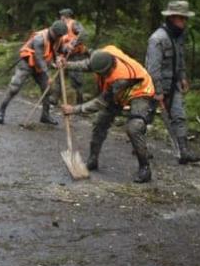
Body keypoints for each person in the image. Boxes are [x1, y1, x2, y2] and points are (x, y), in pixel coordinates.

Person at [61, 45, 155, 183]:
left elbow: (101, 102)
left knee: (134, 127)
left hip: (140, 91)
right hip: (117, 94)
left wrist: (74, 109)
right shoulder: (103, 56)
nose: (104, 75)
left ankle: (145, 168)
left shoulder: (120, 78)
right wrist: (66, 64)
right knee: (100, 122)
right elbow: (87, 64)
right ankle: (92, 159)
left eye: (106, 73)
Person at [146, 0, 200, 164]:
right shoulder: (157, 39)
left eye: (185, 19)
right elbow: (152, 68)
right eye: (182, 19)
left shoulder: (178, 37)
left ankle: (183, 151)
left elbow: (180, 59)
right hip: (154, 86)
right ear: (172, 18)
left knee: (179, 116)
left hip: (173, 85)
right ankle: (139, 148)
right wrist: (157, 92)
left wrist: (183, 77)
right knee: (144, 118)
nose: (184, 22)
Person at [0, 20, 69, 125]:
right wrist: (48, 76)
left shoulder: (59, 38)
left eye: (61, 36)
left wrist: (67, 49)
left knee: (47, 89)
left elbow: (61, 50)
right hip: (27, 64)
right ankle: (1, 111)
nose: (59, 37)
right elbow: (39, 59)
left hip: (40, 68)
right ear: (52, 31)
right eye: (58, 35)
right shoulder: (39, 38)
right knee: (14, 87)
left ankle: (45, 116)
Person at [59, 8, 88, 104]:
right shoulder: (63, 27)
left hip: (76, 56)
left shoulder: (74, 24)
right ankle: (55, 100)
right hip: (65, 55)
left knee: (76, 80)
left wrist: (73, 44)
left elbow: (83, 33)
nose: (60, 18)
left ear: (65, 16)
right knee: (59, 76)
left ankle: (80, 104)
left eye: (61, 16)